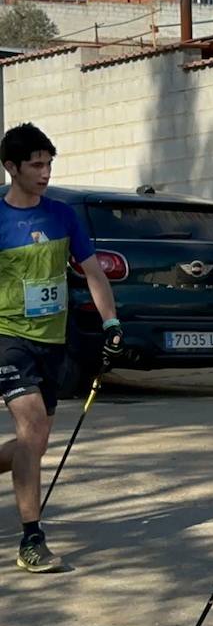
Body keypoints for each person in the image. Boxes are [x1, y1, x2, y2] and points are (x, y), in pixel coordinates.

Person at [0, 123, 122, 574]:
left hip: (53, 339)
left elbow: (92, 271)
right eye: (36, 164)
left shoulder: (63, 215)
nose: (45, 171)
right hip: (7, 338)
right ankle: (31, 539)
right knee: (31, 427)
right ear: (11, 167)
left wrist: (111, 322)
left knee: (36, 443)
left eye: (49, 163)